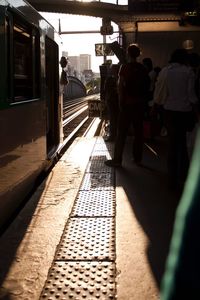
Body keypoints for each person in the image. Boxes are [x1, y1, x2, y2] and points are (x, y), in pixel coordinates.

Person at [152, 48, 199, 190]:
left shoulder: (166, 71)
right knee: (183, 144)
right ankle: (183, 176)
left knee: (172, 144)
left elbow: (160, 92)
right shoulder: (188, 72)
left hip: (169, 113)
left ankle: (171, 179)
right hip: (184, 113)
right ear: (184, 58)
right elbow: (191, 95)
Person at [105, 43, 150, 167]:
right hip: (139, 105)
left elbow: (120, 87)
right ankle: (137, 159)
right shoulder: (142, 68)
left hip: (127, 105)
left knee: (121, 133)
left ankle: (117, 160)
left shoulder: (124, 67)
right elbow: (147, 87)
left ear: (128, 54)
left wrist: (121, 103)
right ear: (138, 54)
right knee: (138, 133)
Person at [104, 64, 120, 141]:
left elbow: (105, 88)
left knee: (113, 119)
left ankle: (112, 136)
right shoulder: (120, 78)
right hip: (118, 101)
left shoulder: (109, 79)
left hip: (112, 101)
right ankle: (116, 135)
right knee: (116, 119)